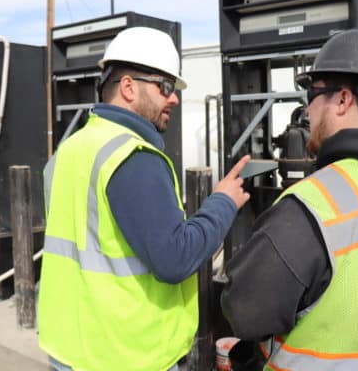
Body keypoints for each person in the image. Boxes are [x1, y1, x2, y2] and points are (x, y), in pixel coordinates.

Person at [221, 28, 358, 371]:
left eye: (311, 94)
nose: (307, 111)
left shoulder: (311, 208)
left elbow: (244, 313)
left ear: (342, 100)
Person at [38, 26, 250, 371]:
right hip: (126, 355)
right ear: (128, 87)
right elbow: (174, 259)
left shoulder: (71, 148)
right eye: (165, 86)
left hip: (70, 348)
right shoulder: (133, 156)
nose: (175, 98)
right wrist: (223, 203)